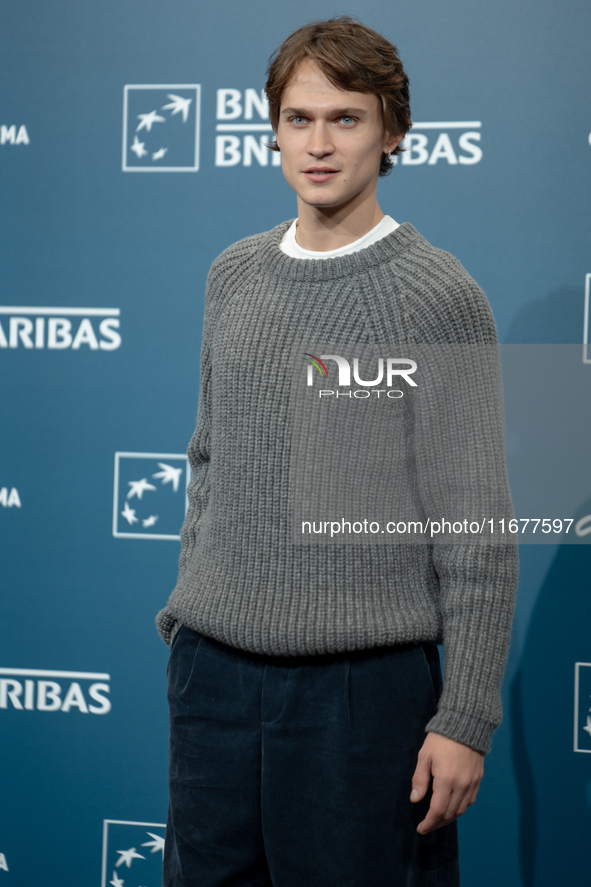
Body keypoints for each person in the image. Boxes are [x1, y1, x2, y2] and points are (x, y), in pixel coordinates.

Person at [156, 16, 519, 887]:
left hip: (360, 701)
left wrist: (464, 714)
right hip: (212, 682)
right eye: (297, 118)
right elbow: (208, 461)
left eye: (345, 119)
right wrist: (185, 617)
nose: (317, 144)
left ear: (391, 131)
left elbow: (476, 527)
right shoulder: (231, 273)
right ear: (274, 129)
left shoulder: (440, 295)